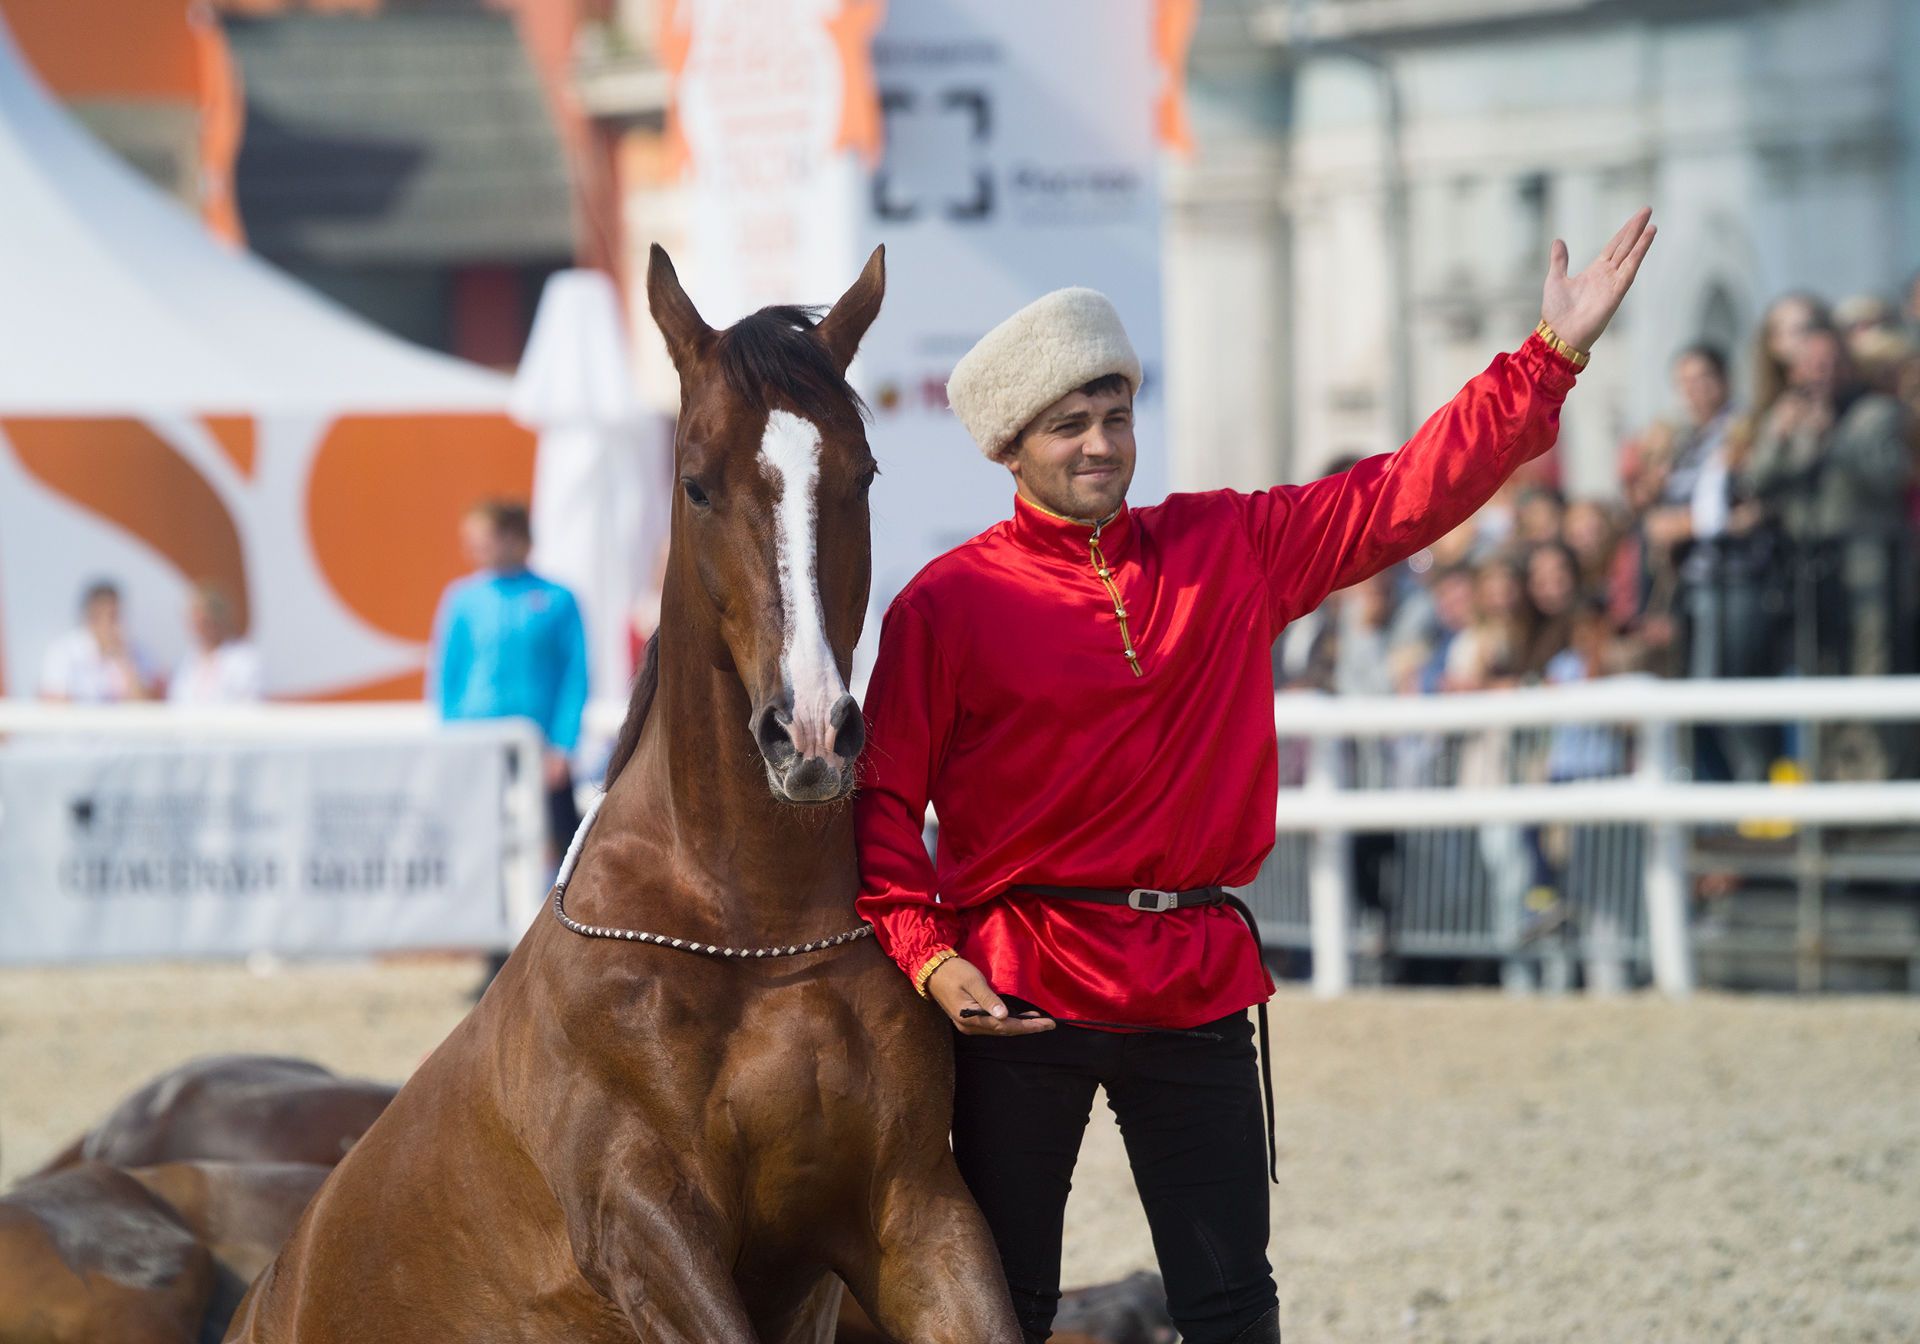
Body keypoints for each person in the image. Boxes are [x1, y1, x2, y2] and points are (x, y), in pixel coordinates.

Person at [853, 210, 1656, 1344]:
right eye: (1069, 423)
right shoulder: (944, 605)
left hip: (1196, 978)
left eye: (1116, 414)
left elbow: (1406, 493)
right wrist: (929, 961)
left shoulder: (1227, 545)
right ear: (1010, 449)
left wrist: (1548, 357)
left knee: (1232, 1309)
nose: (1100, 443)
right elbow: (882, 806)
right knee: (1004, 1311)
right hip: (1019, 988)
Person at [430, 500, 589, 870]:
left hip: (540, 747)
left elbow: (575, 676)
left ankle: (556, 923)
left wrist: (563, 745)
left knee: (562, 852)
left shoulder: (557, 599)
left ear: (515, 538)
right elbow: (446, 676)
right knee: (478, 845)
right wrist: (450, 738)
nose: (472, 547)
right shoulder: (462, 600)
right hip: (477, 742)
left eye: (483, 537)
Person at [39, 580, 157, 703]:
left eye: (117, 616)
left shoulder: (135, 651)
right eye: (111, 617)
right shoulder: (63, 652)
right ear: (91, 617)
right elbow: (54, 703)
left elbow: (145, 707)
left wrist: (125, 663)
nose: (114, 625)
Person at [168, 582, 263, 705]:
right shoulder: (189, 661)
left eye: (205, 621)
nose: (198, 628)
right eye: (194, 621)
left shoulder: (244, 659)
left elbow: (250, 705)